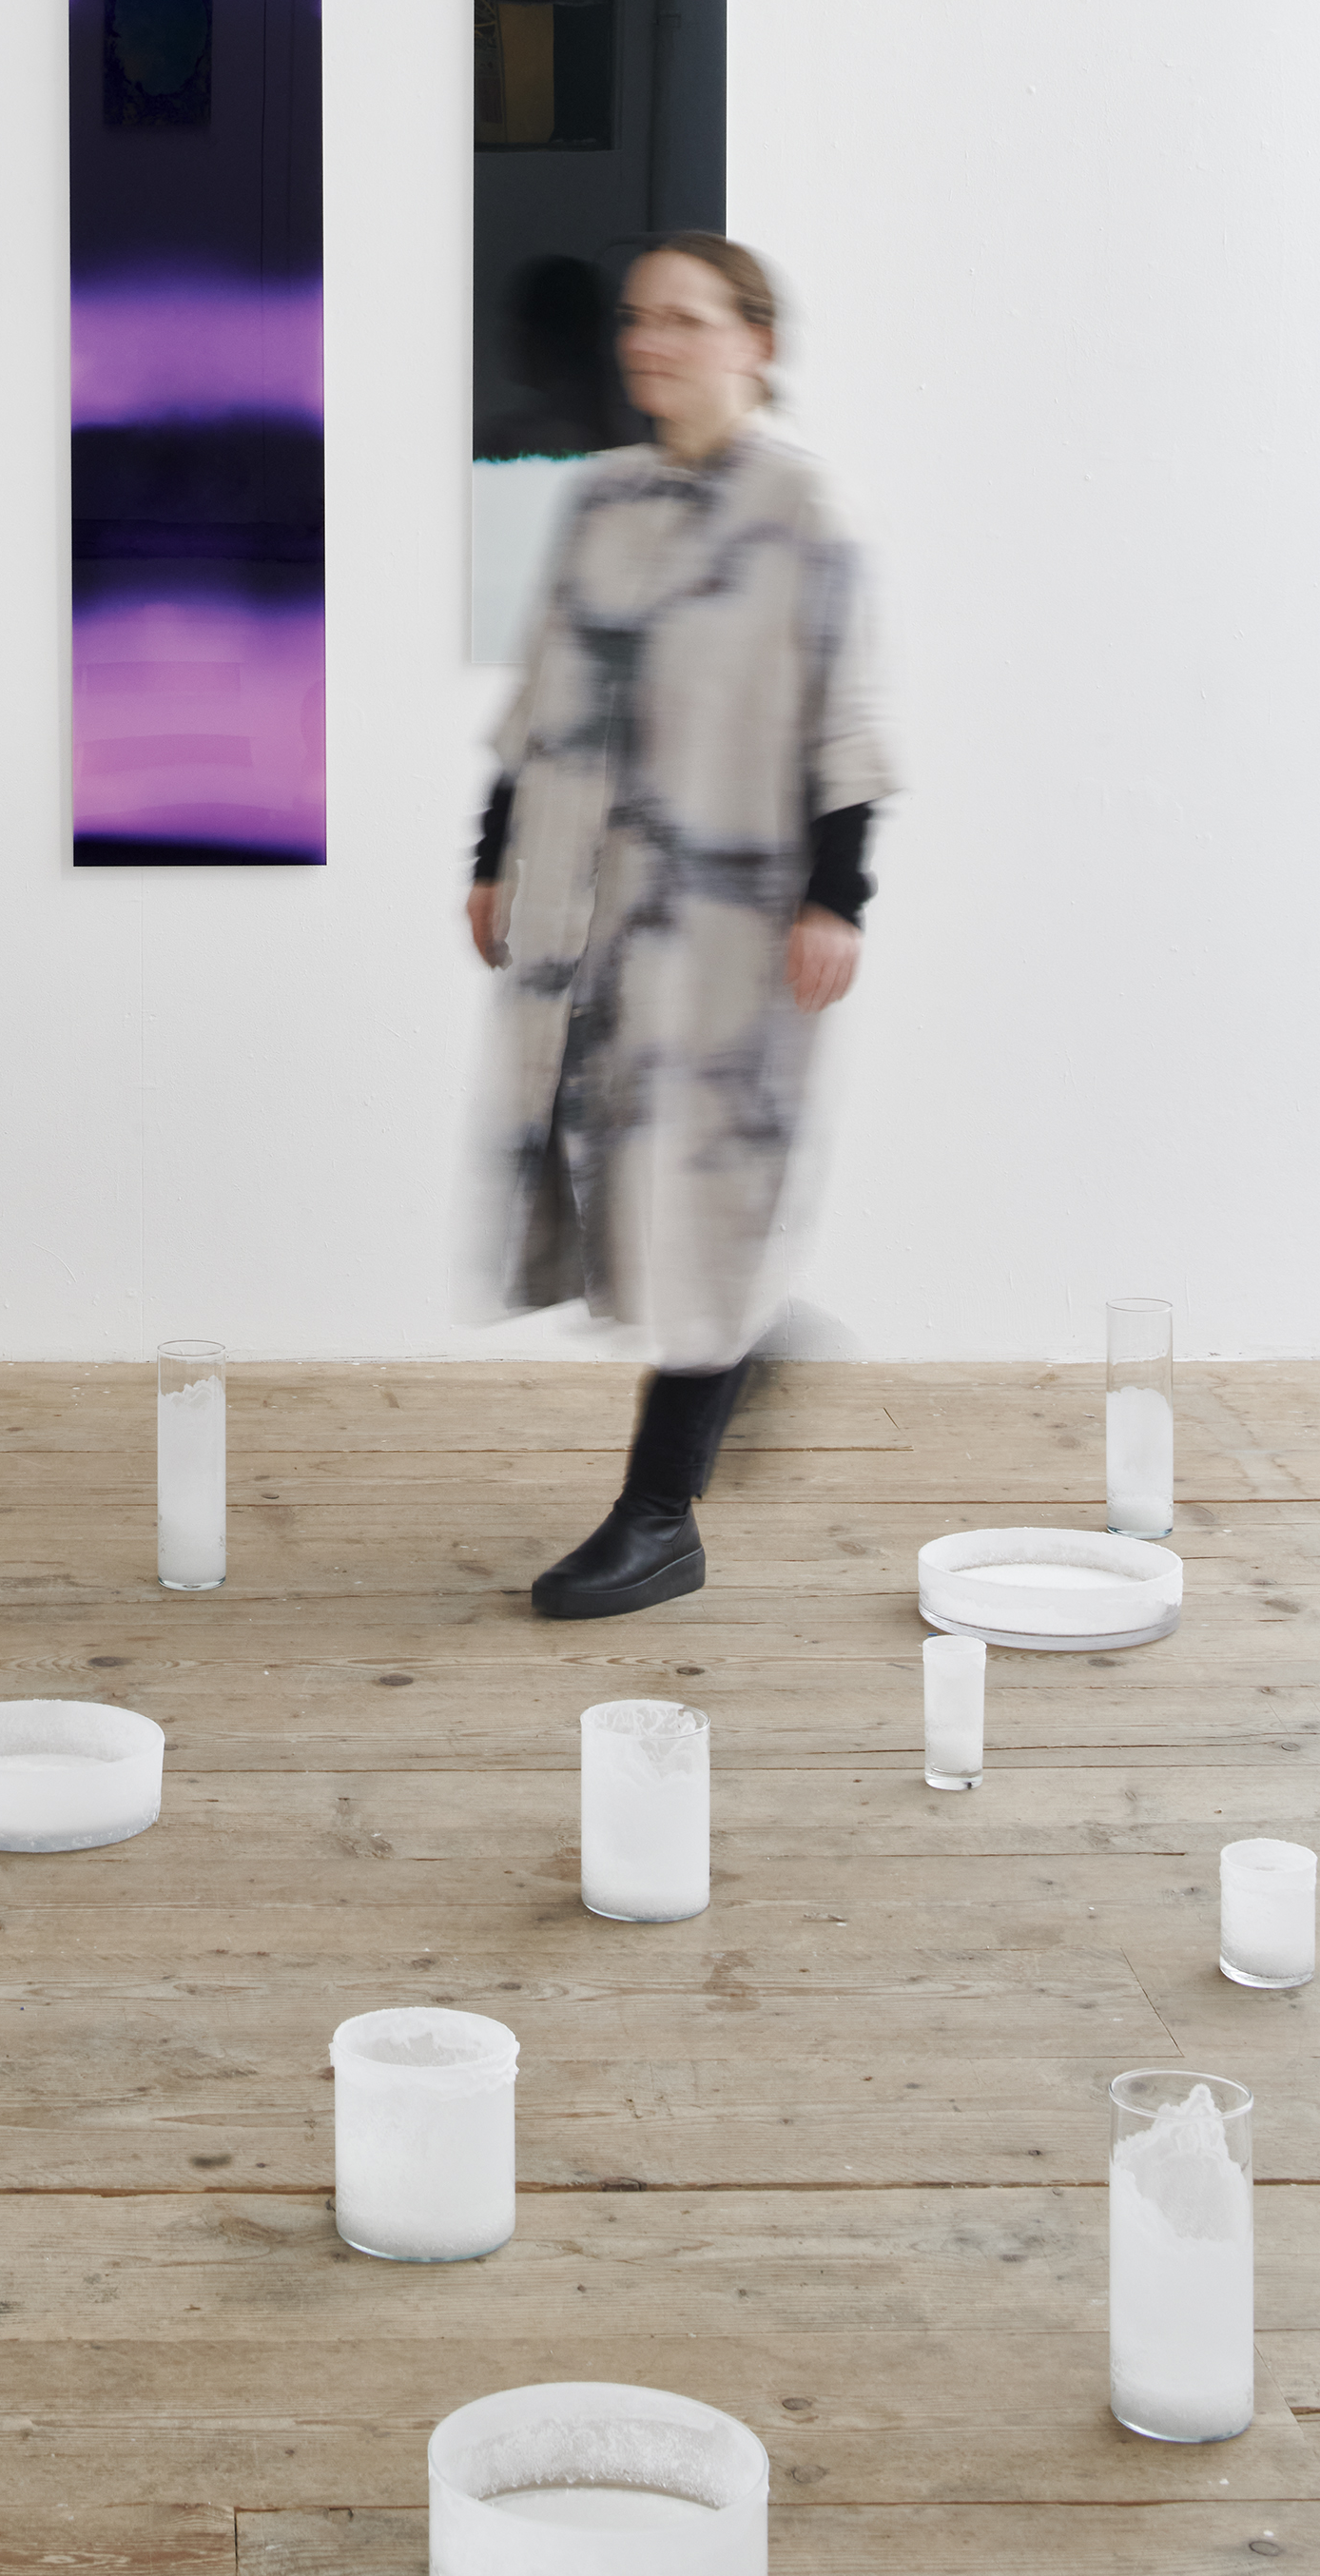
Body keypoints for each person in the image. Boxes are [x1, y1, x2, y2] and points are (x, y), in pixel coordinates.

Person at [467, 235, 897, 1619]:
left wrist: (837, 897)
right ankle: (749, 1343)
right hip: (591, 916)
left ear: (754, 341)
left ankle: (658, 1519)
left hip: (733, 928)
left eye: (685, 318)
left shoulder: (805, 511)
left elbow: (843, 717)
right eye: (637, 318)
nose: (649, 341)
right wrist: (493, 855)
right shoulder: (600, 500)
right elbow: (543, 697)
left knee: (703, 1202)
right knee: (614, 1180)